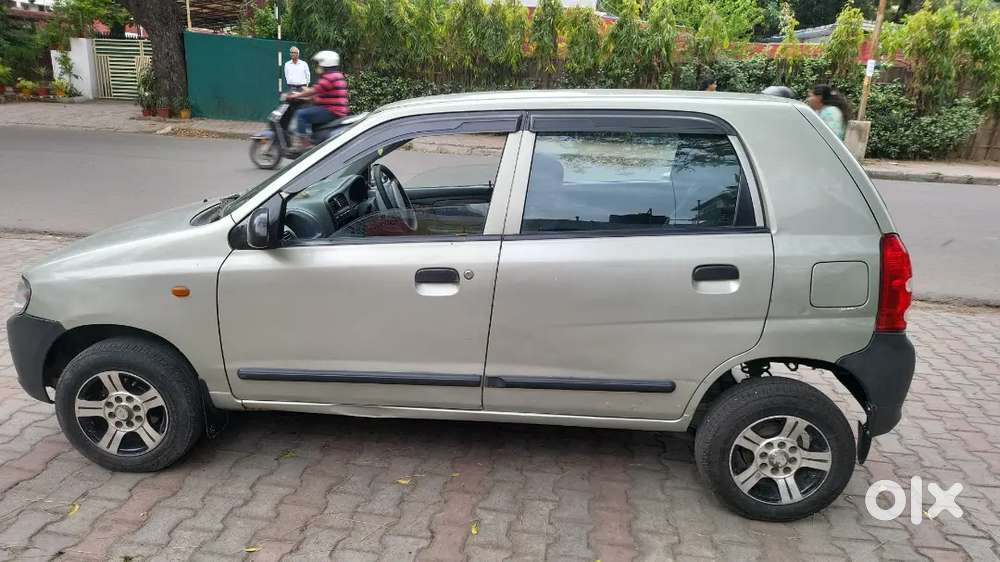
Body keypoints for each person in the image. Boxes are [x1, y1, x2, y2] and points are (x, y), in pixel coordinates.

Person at [288, 50, 349, 148]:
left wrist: (296, 95)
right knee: (309, 112)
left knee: (301, 114)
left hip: (331, 111)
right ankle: (314, 141)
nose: (318, 66)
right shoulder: (337, 75)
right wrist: (308, 99)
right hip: (335, 110)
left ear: (325, 63)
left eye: (319, 63)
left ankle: (305, 145)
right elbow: (324, 94)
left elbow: (314, 90)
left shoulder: (329, 77)